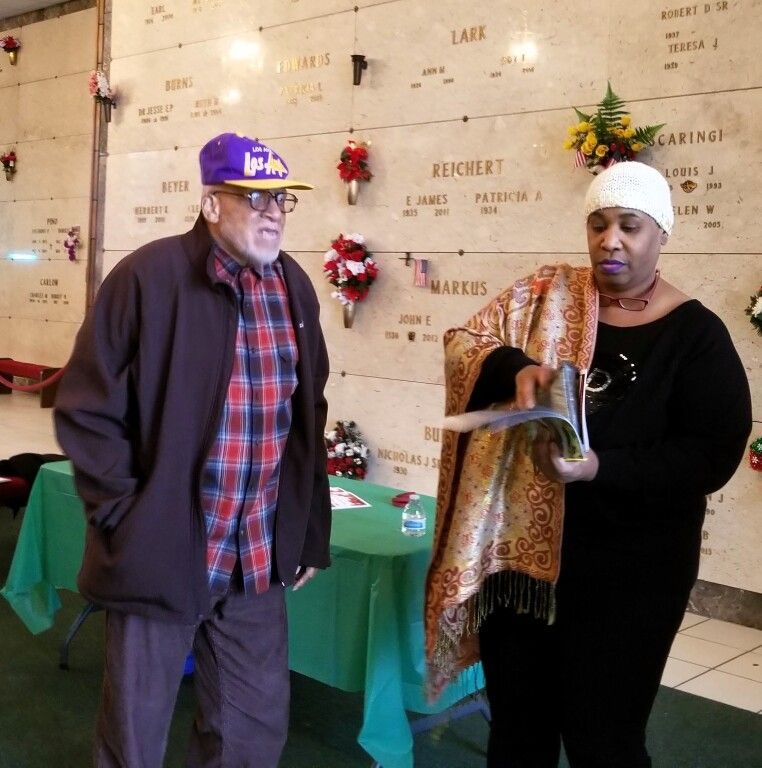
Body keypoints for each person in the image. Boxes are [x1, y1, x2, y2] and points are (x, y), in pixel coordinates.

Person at [425, 162, 751, 768]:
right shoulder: (544, 298)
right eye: (598, 225)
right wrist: (515, 368)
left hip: (630, 576)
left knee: (605, 740)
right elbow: (466, 342)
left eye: (630, 226)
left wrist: (601, 467)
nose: (611, 240)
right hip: (520, 568)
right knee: (519, 733)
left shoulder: (697, 336)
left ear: (661, 234)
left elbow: (710, 453)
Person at [54, 132, 331, 768]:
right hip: (163, 553)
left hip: (255, 560)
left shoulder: (295, 288)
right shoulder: (148, 278)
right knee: (133, 737)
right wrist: (126, 517)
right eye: (254, 197)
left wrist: (309, 527)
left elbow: (306, 417)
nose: (272, 213)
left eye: (282, 200)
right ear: (211, 204)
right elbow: (85, 406)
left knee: (251, 735)